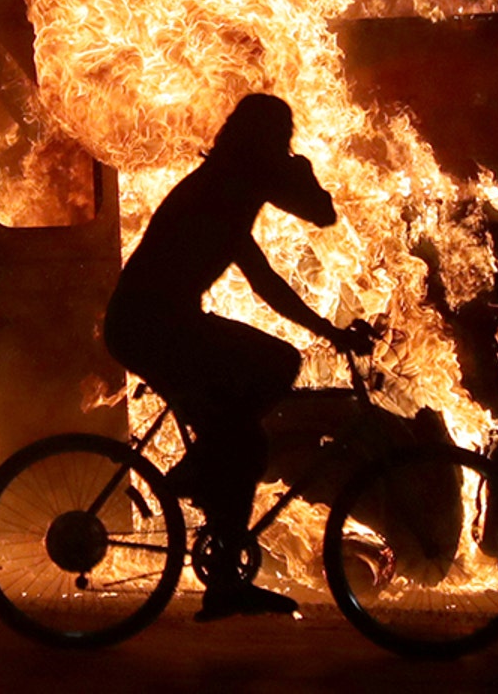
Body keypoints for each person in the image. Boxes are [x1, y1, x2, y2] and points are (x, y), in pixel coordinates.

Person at [102, 93, 374, 621]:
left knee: (241, 442)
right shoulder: (228, 189)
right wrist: (304, 174)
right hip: (150, 327)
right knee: (268, 385)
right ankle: (199, 475)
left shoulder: (228, 185)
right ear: (263, 143)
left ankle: (212, 509)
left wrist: (327, 331)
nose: (285, 149)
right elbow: (318, 216)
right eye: (281, 138)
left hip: (159, 324)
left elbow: (269, 271)